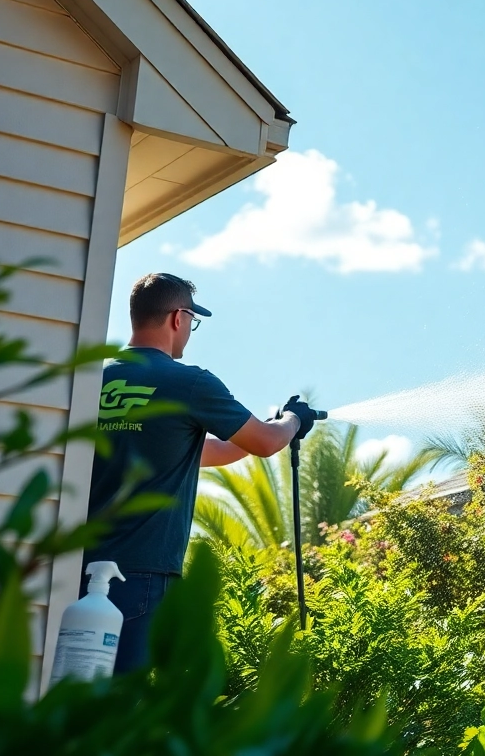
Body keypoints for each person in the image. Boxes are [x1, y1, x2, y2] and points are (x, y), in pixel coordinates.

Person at [83, 273, 313, 673]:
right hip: (141, 574)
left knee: (72, 694)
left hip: (75, 570)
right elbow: (266, 443)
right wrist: (294, 420)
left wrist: (261, 422)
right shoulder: (188, 383)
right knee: (120, 709)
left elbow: (217, 450)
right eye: (192, 320)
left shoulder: (94, 381)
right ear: (178, 317)